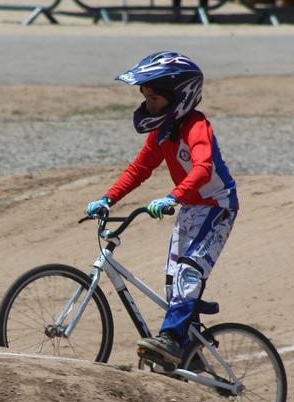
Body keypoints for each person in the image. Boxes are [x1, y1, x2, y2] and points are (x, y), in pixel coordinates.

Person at [86, 51, 238, 365]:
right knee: (173, 280)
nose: (149, 105)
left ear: (178, 97)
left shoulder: (196, 125)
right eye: (146, 98)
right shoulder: (162, 132)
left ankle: (171, 339)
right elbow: (139, 169)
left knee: (188, 271)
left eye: (154, 98)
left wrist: (173, 197)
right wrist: (107, 199)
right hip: (191, 208)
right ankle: (190, 352)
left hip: (217, 206)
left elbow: (203, 168)